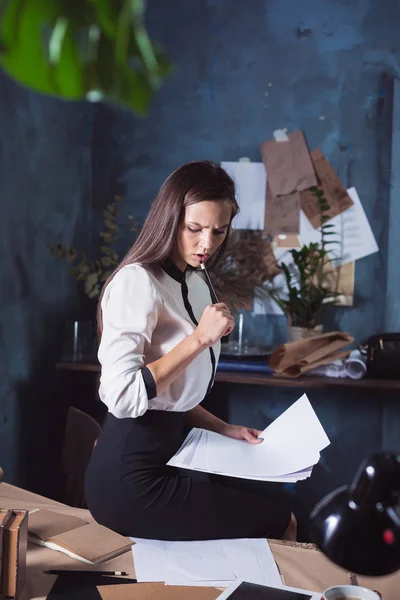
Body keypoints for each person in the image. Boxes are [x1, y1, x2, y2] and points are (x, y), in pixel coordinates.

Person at [84, 160, 296, 541]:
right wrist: (198, 339)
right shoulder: (137, 281)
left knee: (275, 512)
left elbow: (170, 395)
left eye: (219, 231)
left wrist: (222, 427)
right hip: (129, 479)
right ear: (170, 219)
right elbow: (122, 395)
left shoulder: (198, 280)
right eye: (195, 228)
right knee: (280, 523)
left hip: (174, 454)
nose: (207, 244)